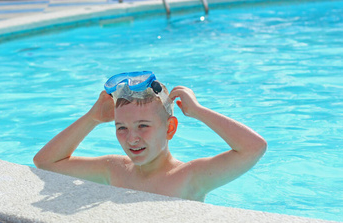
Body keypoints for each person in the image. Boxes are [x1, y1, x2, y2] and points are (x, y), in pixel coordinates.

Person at [34, 71, 267, 201]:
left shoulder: (189, 177)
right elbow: (45, 162)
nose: (131, 138)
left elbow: (254, 148)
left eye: (143, 125)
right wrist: (91, 118)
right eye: (121, 127)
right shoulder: (114, 169)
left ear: (170, 129)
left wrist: (198, 111)